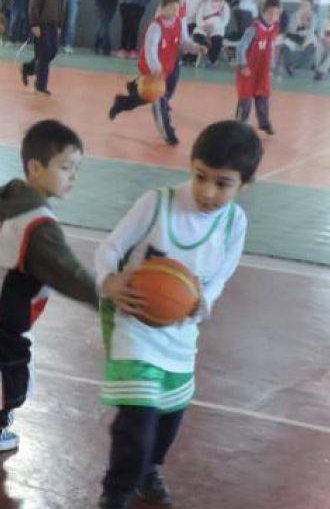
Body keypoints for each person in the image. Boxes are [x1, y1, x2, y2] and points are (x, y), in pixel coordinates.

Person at [0, 119, 125, 452]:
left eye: (76, 168)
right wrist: (103, 298)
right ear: (36, 167)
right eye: (66, 167)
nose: (73, 176)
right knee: (11, 362)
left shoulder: (4, 196)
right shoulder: (39, 224)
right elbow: (67, 272)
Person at [95, 120, 263, 509]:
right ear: (190, 164)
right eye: (200, 176)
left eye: (222, 184)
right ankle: (116, 492)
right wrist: (109, 281)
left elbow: (221, 276)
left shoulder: (234, 223)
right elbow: (108, 248)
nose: (207, 191)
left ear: (244, 186)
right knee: (139, 414)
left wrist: (202, 301)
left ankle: (149, 470)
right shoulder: (156, 202)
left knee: (169, 415)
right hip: (132, 321)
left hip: (181, 328)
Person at [108, 0, 206, 146]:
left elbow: (184, 42)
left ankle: (123, 101)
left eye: (177, 8)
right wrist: (156, 70)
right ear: (163, 7)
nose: (175, 11)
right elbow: (150, 50)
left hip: (171, 68)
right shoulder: (156, 26)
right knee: (159, 101)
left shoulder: (180, 22)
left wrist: (196, 48)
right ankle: (168, 134)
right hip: (155, 71)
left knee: (147, 98)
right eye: (171, 8)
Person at [235, 0, 282, 135]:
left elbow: (272, 49)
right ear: (263, 12)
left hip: (263, 70)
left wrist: (272, 67)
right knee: (246, 98)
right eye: (269, 13)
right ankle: (240, 124)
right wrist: (243, 65)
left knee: (263, 97)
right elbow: (241, 48)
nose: (272, 16)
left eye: (276, 14)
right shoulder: (253, 29)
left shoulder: (275, 29)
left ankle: (264, 123)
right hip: (249, 69)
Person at [20, 0, 65, 96]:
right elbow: (34, 2)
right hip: (42, 22)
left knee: (52, 52)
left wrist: (59, 24)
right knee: (44, 53)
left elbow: (61, 4)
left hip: (53, 22)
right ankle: (40, 86)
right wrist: (34, 24)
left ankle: (28, 68)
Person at [278, 0, 317, 76]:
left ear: (311, 7)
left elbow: (311, 31)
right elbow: (291, 29)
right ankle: (288, 66)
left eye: (306, 5)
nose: (303, 6)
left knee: (310, 48)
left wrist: (300, 31)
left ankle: (297, 67)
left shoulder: (314, 16)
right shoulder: (295, 15)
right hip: (294, 38)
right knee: (285, 46)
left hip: (308, 39)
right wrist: (299, 21)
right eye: (302, 4)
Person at [193, 0, 231, 66]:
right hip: (203, 28)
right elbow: (198, 17)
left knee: (217, 41)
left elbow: (225, 20)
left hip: (217, 29)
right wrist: (203, 26)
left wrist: (214, 27)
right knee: (197, 36)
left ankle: (211, 60)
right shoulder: (205, 4)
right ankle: (206, 47)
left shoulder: (225, 5)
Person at [181, 0, 209, 65]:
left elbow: (210, 0)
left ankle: (192, 58)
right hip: (183, 17)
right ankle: (182, 58)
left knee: (193, 38)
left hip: (195, 19)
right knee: (182, 37)